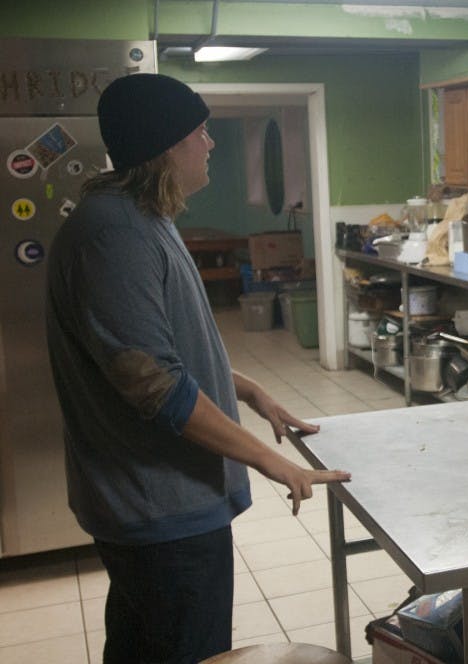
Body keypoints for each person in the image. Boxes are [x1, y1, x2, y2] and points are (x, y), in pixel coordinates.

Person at [44, 73, 350, 664]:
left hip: (165, 504)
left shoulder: (141, 218)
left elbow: (160, 351)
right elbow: (153, 384)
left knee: (142, 646)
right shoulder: (113, 234)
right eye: (201, 132)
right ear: (166, 146)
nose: (210, 144)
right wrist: (269, 460)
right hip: (160, 509)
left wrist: (252, 389)